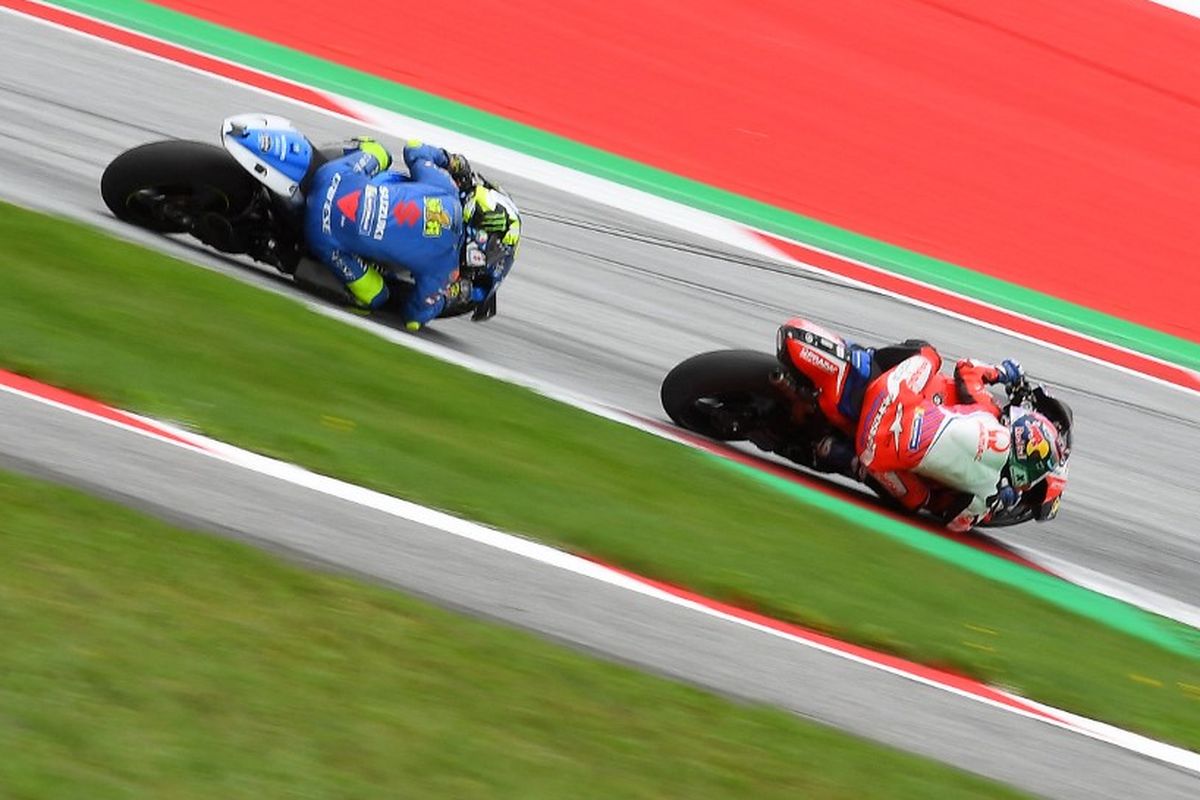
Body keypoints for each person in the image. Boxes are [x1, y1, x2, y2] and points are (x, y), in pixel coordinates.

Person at [303, 136, 520, 330]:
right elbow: (414, 318)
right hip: (324, 238)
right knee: (375, 297)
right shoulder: (443, 272)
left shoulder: (446, 186)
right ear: (481, 239)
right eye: (496, 251)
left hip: (332, 176)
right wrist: (453, 294)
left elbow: (414, 148)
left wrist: (452, 161)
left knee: (379, 151)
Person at [852, 353, 1065, 531]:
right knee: (920, 501)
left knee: (928, 353)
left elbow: (966, 367)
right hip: (872, 454)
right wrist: (1000, 500)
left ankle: (869, 358)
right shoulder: (987, 494)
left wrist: (1004, 373)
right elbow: (954, 523)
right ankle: (848, 462)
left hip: (889, 394)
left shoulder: (988, 412)